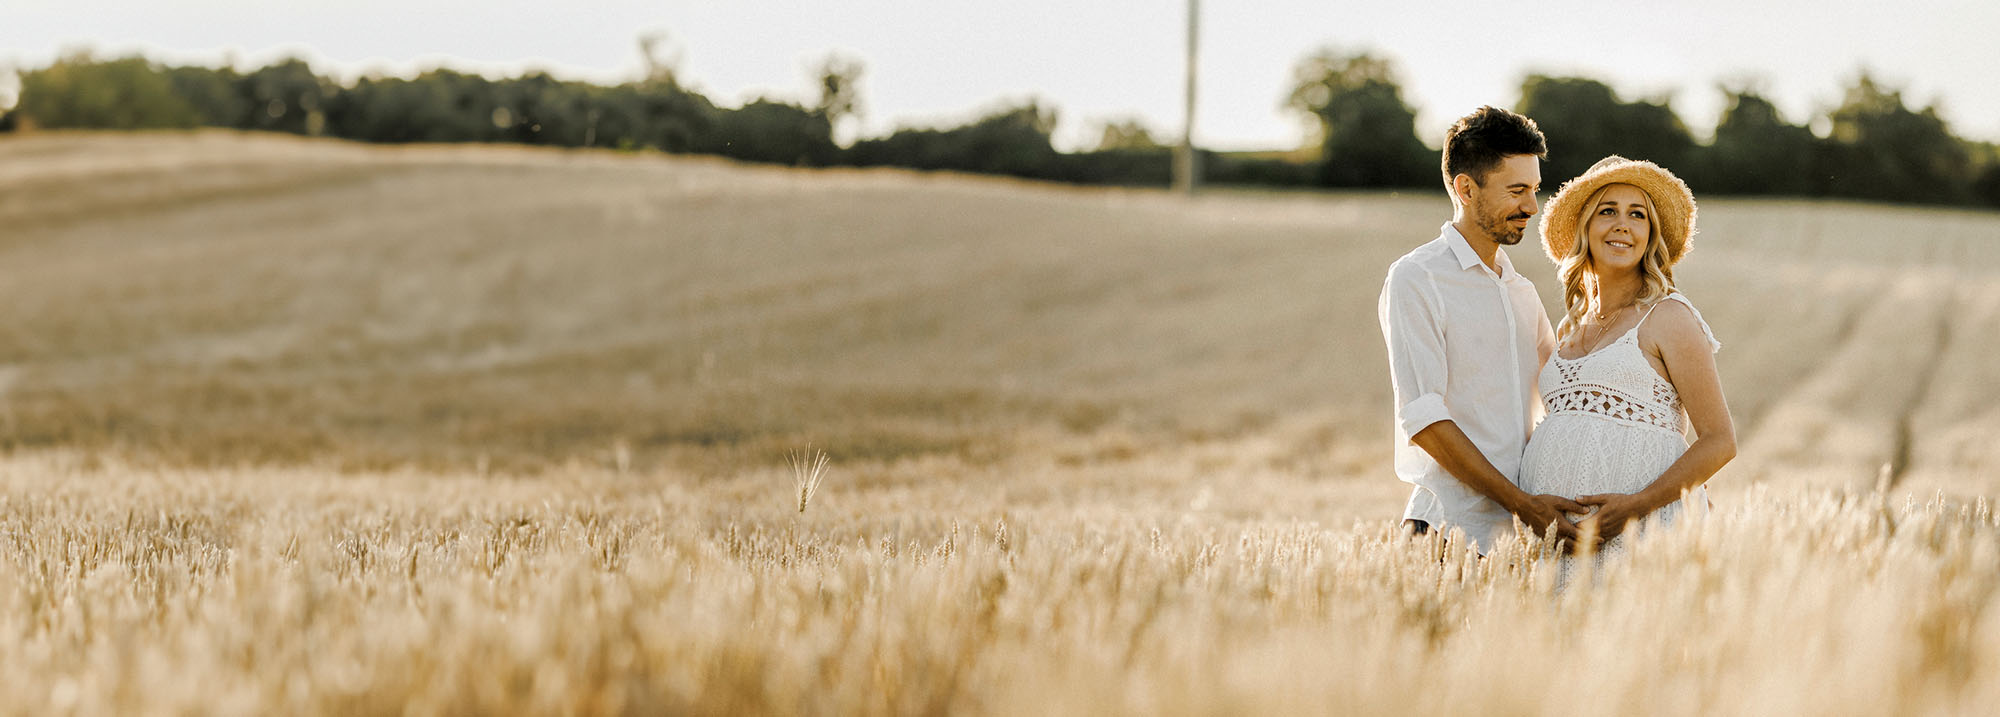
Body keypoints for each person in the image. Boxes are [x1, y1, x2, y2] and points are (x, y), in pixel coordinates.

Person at [1378, 106, 1588, 554]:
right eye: (1516, 191)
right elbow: (1424, 420)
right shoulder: (1417, 278)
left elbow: (1568, 397)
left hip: (1520, 540)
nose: (1532, 207)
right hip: (1444, 533)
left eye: (1534, 190)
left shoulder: (1521, 291)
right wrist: (1522, 505)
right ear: (1466, 188)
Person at [1518, 155, 1736, 570]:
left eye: (1637, 215)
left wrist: (1634, 507)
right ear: (1585, 227)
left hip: (1643, 537)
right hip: (1555, 547)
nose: (1622, 224)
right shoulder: (1568, 331)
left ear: (1650, 235)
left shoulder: (1669, 316)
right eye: (1607, 212)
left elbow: (1720, 440)